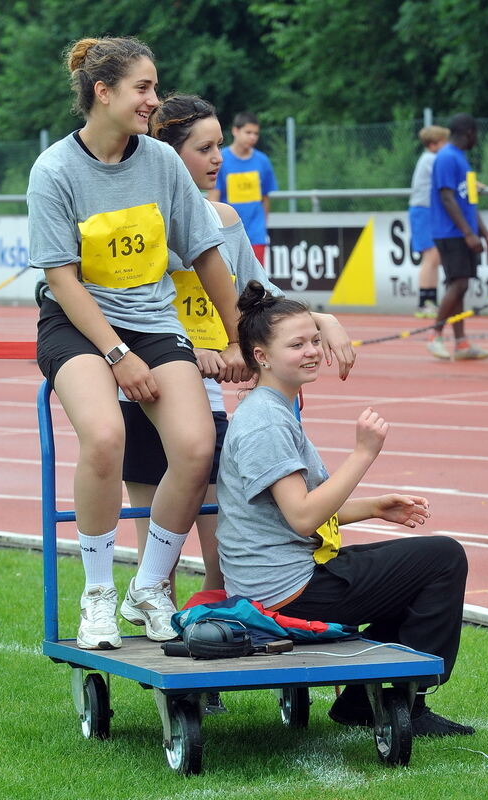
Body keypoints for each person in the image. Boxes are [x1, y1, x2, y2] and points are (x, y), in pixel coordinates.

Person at [27, 37, 246, 650]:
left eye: (153, 87)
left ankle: (148, 587)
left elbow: (206, 253)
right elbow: (62, 280)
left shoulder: (159, 162)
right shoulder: (55, 171)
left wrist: (240, 337)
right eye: (143, 88)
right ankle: (97, 593)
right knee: (105, 436)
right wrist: (117, 356)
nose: (154, 100)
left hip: (152, 322)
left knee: (198, 447)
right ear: (104, 92)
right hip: (76, 325)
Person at [121, 93, 356, 603]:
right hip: (143, 390)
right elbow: (130, 311)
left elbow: (259, 298)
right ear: (166, 153)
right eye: (204, 149)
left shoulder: (225, 219)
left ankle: (211, 632)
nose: (218, 159)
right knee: (153, 559)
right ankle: (154, 630)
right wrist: (188, 352)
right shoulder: (142, 224)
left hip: (203, 399)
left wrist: (323, 318)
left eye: (220, 146)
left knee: (220, 558)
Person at [215, 279, 475, 738]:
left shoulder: (272, 409)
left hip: (285, 577)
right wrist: (363, 454)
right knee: (443, 558)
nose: (313, 351)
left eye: (314, 340)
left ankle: (363, 700)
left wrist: (375, 507)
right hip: (287, 592)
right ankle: (401, 704)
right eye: (297, 344)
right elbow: (301, 517)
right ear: (261, 356)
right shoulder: (265, 423)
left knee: (419, 571)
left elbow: (290, 514)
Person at [427, 113, 488, 360]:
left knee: (461, 285)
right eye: (476, 134)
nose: (476, 139)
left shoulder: (462, 159)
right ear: (469, 132)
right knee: (458, 283)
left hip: (462, 232)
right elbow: (447, 198)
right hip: (450, 233)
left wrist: (487, 235)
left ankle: (461, 344)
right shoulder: (446, 158)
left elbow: (470, 201)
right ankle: (435, 335)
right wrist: (468, 234)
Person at [207, 111, 277, 265]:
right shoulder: (220, 159)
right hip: (229, 233)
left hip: (256, 235)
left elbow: (265, 198)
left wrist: (263, 227)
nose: (253, 137)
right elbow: (214, 198)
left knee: (256, 283)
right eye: (248, 132)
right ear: (235, 131)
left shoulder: (263, 161)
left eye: (256, 133)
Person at [409, 125, 449, 318]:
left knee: (435, 257)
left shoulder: (432, 158)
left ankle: (430, 300)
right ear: (433, 144)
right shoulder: (431, 159)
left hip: (429, 211)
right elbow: (447, 177)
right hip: (423, 210)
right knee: (430, 256)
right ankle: (424, 302)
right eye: (444, 142)